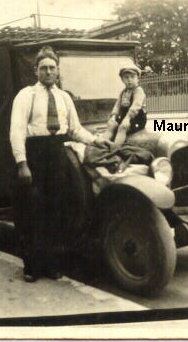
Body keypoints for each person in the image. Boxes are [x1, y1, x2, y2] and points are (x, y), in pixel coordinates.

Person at [10, 46, 113, 282]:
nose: (48, 72)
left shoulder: (64, 97)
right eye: (43, 68)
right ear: (35, 70)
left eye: (52, 68)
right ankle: (31, 267)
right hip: (34, 153)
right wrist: (21, 163)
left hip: (58, 152)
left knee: (57, 210)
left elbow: (75, 130)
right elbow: (16, 131)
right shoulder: (26, 96)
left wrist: (97, 140)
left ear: (57, 71)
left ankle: (51, 265)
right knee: (33, 210)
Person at [101, 62, 147, 147]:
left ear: (138, 79)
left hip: (137, 119)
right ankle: (102, 143)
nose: (129, 80)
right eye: (126, 77)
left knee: (123, 127)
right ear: (122, 79)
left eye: (132, 77)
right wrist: (113, 117)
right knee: (112, 125)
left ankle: (115, 146)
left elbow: (136, 106)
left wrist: (128, 118)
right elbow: (117, 105)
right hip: (124, 117)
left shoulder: (138, 91)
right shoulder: (123, 92)